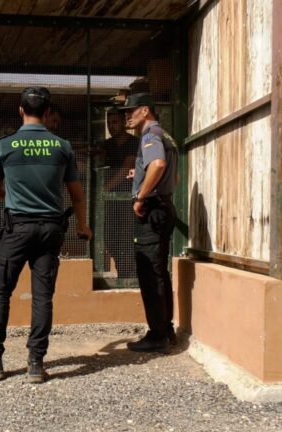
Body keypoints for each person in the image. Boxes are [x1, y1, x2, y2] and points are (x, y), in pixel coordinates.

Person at [0, 87, 92, 383]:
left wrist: (12, 194)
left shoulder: (4, 146)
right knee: (43, 297)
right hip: (51, 230)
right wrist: (82, 225)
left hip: (17, 229)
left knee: (1, 292)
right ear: (49, 113)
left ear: (20, 110)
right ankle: (36, 364)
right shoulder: (63, 147)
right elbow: (76, 194)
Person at [118, 93, 179, 353]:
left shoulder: (150, 135)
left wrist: (141, 196)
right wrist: (140, 174)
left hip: (152, 210)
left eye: (131, 111)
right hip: (165, 206)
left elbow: (158, 163)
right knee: (160, 271)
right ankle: (166, 329)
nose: (127, 116)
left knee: (149, 272)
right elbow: (172, 178)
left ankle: (157, 335)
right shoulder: (165, 135)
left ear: (145, 110)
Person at [101, 109, 138, 279]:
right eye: (109, 123)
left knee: (126, 237)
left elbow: (127, 166)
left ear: (123, 122)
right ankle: (123, 272)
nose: (111, 126)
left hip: (127, 198)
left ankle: (130, 275)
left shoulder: (134, 142)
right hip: (110, 202)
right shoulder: (106, 145)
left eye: (115, 122)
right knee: (109, 238)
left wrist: (106, 188)